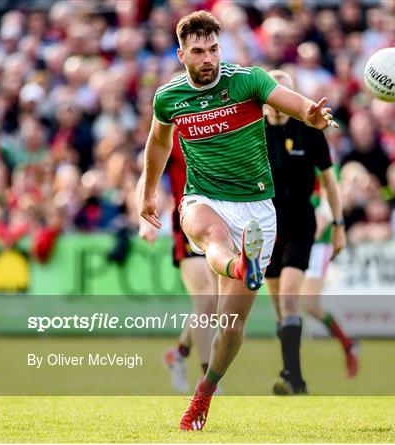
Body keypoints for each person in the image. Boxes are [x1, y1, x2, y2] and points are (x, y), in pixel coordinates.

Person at [139, 11, 337, 431]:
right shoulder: (168, 97)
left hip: (257, 209)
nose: (207, 57)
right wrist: (146, 194)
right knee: (211, 234)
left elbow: (292, 103)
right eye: (198, 51)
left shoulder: (248, 80)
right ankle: (238, 265)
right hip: (203, 197)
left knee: (230, 326)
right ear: (181, 54)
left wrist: (312, 115)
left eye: (213, 48)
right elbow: (157, 144)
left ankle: (203, 394)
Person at [263, 70, 346, 395]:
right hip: (267, 225)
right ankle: (293, 375)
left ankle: (292, 376)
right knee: (279, 308)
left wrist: (338, 225)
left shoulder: (309, 130)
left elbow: (329, 181)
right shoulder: (254, 131)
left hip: (300, 222)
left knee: (289, 297)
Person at [138, 127, 217, 394]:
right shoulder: (174, 131)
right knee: (205, 299)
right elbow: (149, 174)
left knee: (215, 304)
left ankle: (179, 352)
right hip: (187, 223)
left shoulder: (222, 123)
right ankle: (208, 379)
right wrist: (144, 217)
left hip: (221, 222)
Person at [300, 187, 358, 379]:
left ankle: (347, 343)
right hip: (303, 244)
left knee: (310, 305)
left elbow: (322, 220)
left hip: (315, 247)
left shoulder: (319, 175)